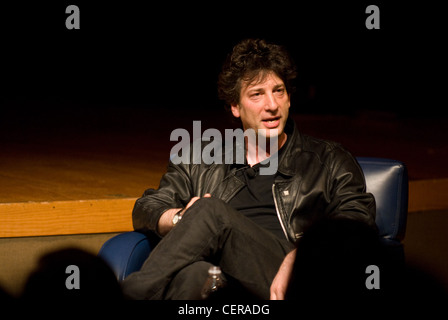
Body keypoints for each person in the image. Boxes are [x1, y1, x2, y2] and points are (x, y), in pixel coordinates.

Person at [121, 38, 377, 300]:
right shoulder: (200, 159)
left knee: (210, 211)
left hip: (288, 279)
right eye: (257, 94)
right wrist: (180, 218)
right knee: (195, 276)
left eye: (279, 91)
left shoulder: (329, 159)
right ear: (235, 106)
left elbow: (356, 221)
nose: (272, 105)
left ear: (289, 98)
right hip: (224, 284)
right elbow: (146, 208)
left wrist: (301, 257)